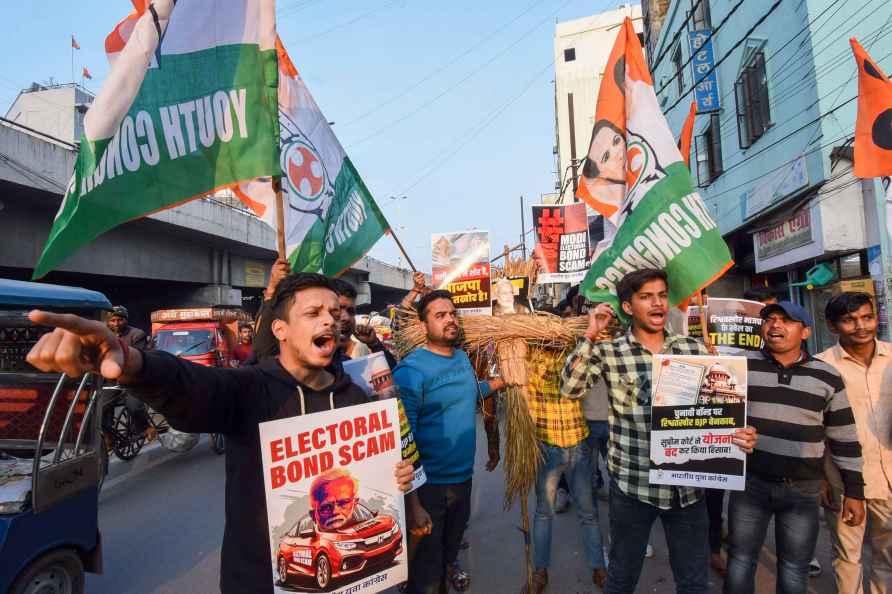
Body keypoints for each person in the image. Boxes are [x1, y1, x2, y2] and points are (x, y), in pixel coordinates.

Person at [25, 273, 415, 594]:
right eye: (313, 312)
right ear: (279, 329)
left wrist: (392, 477)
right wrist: (131, 363)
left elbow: (370, 480)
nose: (331, 320)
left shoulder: (358, 396)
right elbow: (189, 385)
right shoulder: (248, 389)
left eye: (335, 312)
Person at [561, 269, 757, 594]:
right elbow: (569, 388)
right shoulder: (610, 352)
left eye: (662, 295)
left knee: (694, 583)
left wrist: (738, 435)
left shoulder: (693, 350)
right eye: (646, 297)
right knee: (621, 579)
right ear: (627, 307)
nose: (657, 303)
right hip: (634, 488)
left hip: (688, 491)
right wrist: (591, 333)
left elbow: (719, 416)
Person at [723, 300, 865, 594]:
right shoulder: (739, 367)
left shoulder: (826, 376)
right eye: (769, 319)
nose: (775, 325)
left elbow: (844, 436)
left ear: (805, 332)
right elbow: (715, 417)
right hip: (750, 484)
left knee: (793, 569)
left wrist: (854, 490)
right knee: (740, 561)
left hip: (802, 490)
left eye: (786, 320)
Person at [393, 290, 506, 594]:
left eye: (452, 313)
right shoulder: (411, 370)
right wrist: (413, 503)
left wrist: (497, 383)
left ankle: (448, 568)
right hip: (429, 486)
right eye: (440, 315)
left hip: (462, 478)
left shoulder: (460, 358)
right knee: (426, 571)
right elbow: (403, 439)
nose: (450, 320)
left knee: (450, 545)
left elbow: (469, 392)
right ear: (423, 325)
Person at [817, 292, 891, 594]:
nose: (861, 326)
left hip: (889, 477)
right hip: (845, 482)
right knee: (848, 557)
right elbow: (813, 427)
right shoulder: (821, 366)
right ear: (833, 326)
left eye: (867, 317)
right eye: (849, 320)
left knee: (887, 556)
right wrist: (822, 477)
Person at [526, 338, 607, 592]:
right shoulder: (529, 360)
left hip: (578, 444)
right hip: (546, 446)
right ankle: (539, 571)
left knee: (588, 511)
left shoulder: (576, 357)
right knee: (543, 511)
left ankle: (598, 567)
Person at [106, 305, 150, 435]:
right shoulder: (104, 334)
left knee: (134, 407)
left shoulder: (137, 334)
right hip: (111, 380)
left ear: (126, 320)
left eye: (120, 320)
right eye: (112, 320)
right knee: (98, 408)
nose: (116, 323)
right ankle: (108, 435)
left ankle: (145, 428)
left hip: (132, 378)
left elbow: (137, 358)